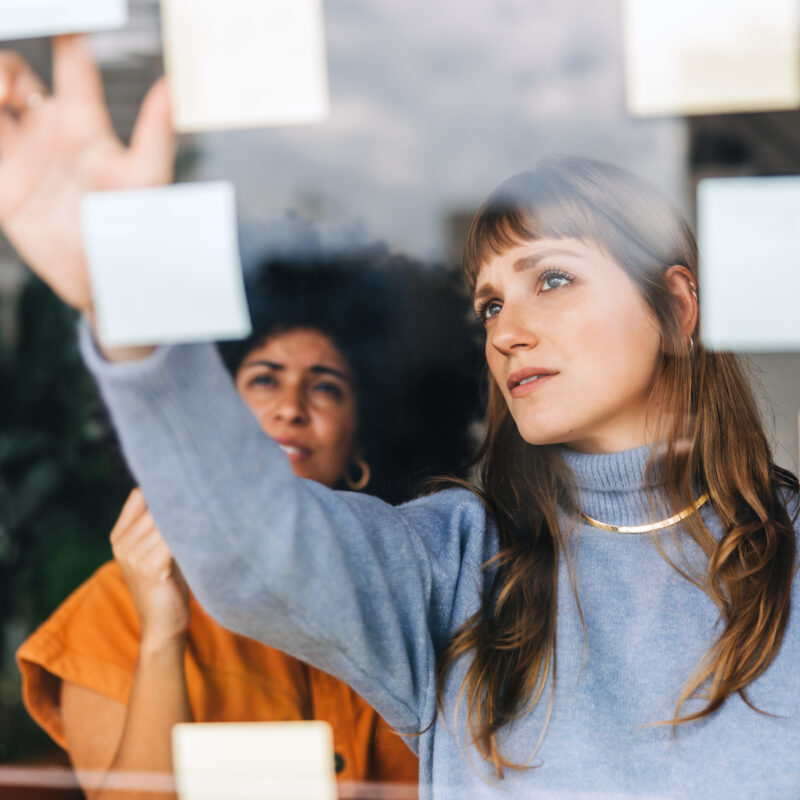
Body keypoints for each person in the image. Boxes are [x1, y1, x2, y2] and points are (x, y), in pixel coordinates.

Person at [2, 35, 799, 800]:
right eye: (489, 303)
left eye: (551, 279)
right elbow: (254, 549)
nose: (506, 330)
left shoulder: (788, 557)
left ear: (678, 306)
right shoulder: (457, 566)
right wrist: (129, 313)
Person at [15, 251, 482, 800]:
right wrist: (162, 636)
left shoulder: (424, 597)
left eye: (326, 386)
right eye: (264, 380)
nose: (291, 406)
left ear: (361, 448)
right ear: (212, 423)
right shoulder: (113, 612)